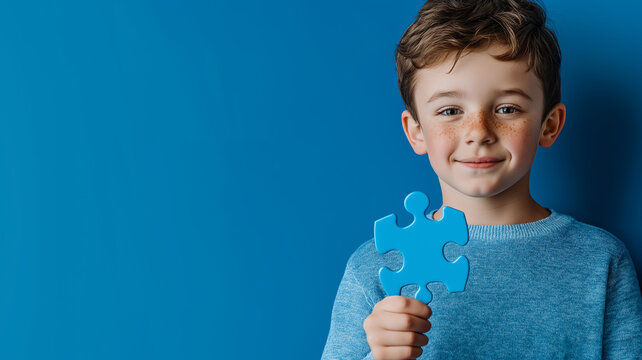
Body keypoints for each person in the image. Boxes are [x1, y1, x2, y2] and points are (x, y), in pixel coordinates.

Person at [320, 0, 642, 359]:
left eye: (507, 108)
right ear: (416, 132)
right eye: (450, 111)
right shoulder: (375, 267)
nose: (479, 132)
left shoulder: (601, 261)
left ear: (548, 125)